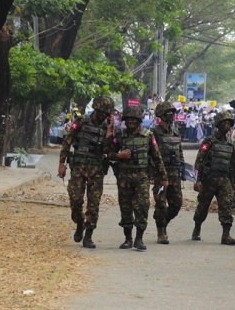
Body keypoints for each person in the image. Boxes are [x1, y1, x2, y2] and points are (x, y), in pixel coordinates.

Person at [107, 106, 168, 251]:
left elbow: (157, 157)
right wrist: (118, 156)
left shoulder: (148, 136)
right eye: (128, 120)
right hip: (124, 177)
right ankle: (128, 239)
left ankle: (139, 238)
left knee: (142, 206)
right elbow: (108, 152)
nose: (131, 122)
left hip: (142, 176)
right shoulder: (120, 135)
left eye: (134, 119)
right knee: (125, 207)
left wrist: (164, 177)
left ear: (139, 120)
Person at [58, 95, 115, 249]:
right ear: (95, 109)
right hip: (79, 167)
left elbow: (108, 151)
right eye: (102, 112)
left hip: (96, 170)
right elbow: (67, 142)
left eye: (107, 113)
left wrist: (109, 132)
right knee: (75, 198)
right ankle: (79, 222)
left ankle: (88, 235)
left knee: (93, 204)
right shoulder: (82, 121)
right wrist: (61, 164)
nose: (104, 115)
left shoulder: (107, 128)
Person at [192, 111, 235, 245]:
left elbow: (232, 164)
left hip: (224, 180)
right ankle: (197, 228)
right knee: (203, 205)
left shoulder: (230, 144)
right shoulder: (209, 141)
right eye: (224, 123)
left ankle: (226, 234)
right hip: (209, 179)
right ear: (218, 125)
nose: (227, 126)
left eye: (229, 123)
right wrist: (197, 181)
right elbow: (199, 161)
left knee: (226, 206)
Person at [151, 102, 185, 244]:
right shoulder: (154, 133)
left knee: (176, 204)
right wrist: (153, 174)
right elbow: (151, 154)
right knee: (160, 203)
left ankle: (163, 222)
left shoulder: (176, 132)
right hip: (160, 174)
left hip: (174, 173)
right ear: (161, 115)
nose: (171, 115)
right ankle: (161, 232)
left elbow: (180, 152)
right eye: (168, 113)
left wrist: (182, 170)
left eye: (172, 112)